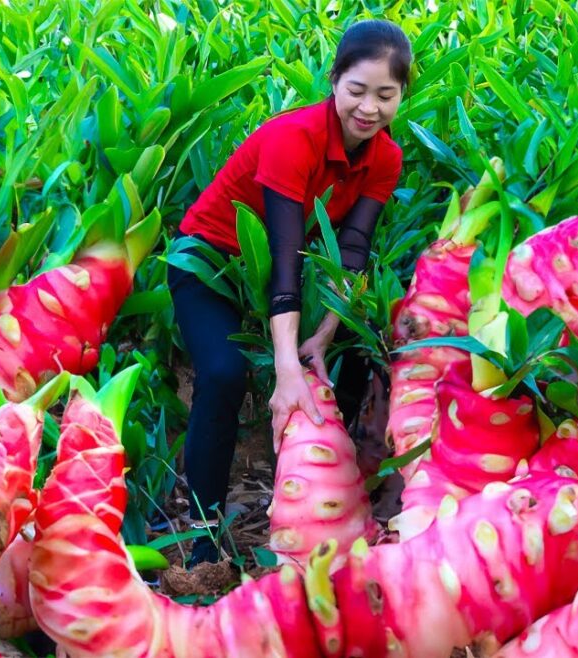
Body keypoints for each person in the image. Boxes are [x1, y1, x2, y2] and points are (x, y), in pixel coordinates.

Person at [168, 18, 411, 567]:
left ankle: (347, 512)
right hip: (210, 262)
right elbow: (281, 256)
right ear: (333, 80)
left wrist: (320, 339)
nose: (368, 108)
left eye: (385, 95)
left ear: (400, 96)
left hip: (290, 276)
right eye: (356, 90)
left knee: (354, 356)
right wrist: (285, 366)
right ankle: (205, 538)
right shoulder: (292, 138)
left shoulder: (385, 158)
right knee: (226, 372)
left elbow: (350, 251)